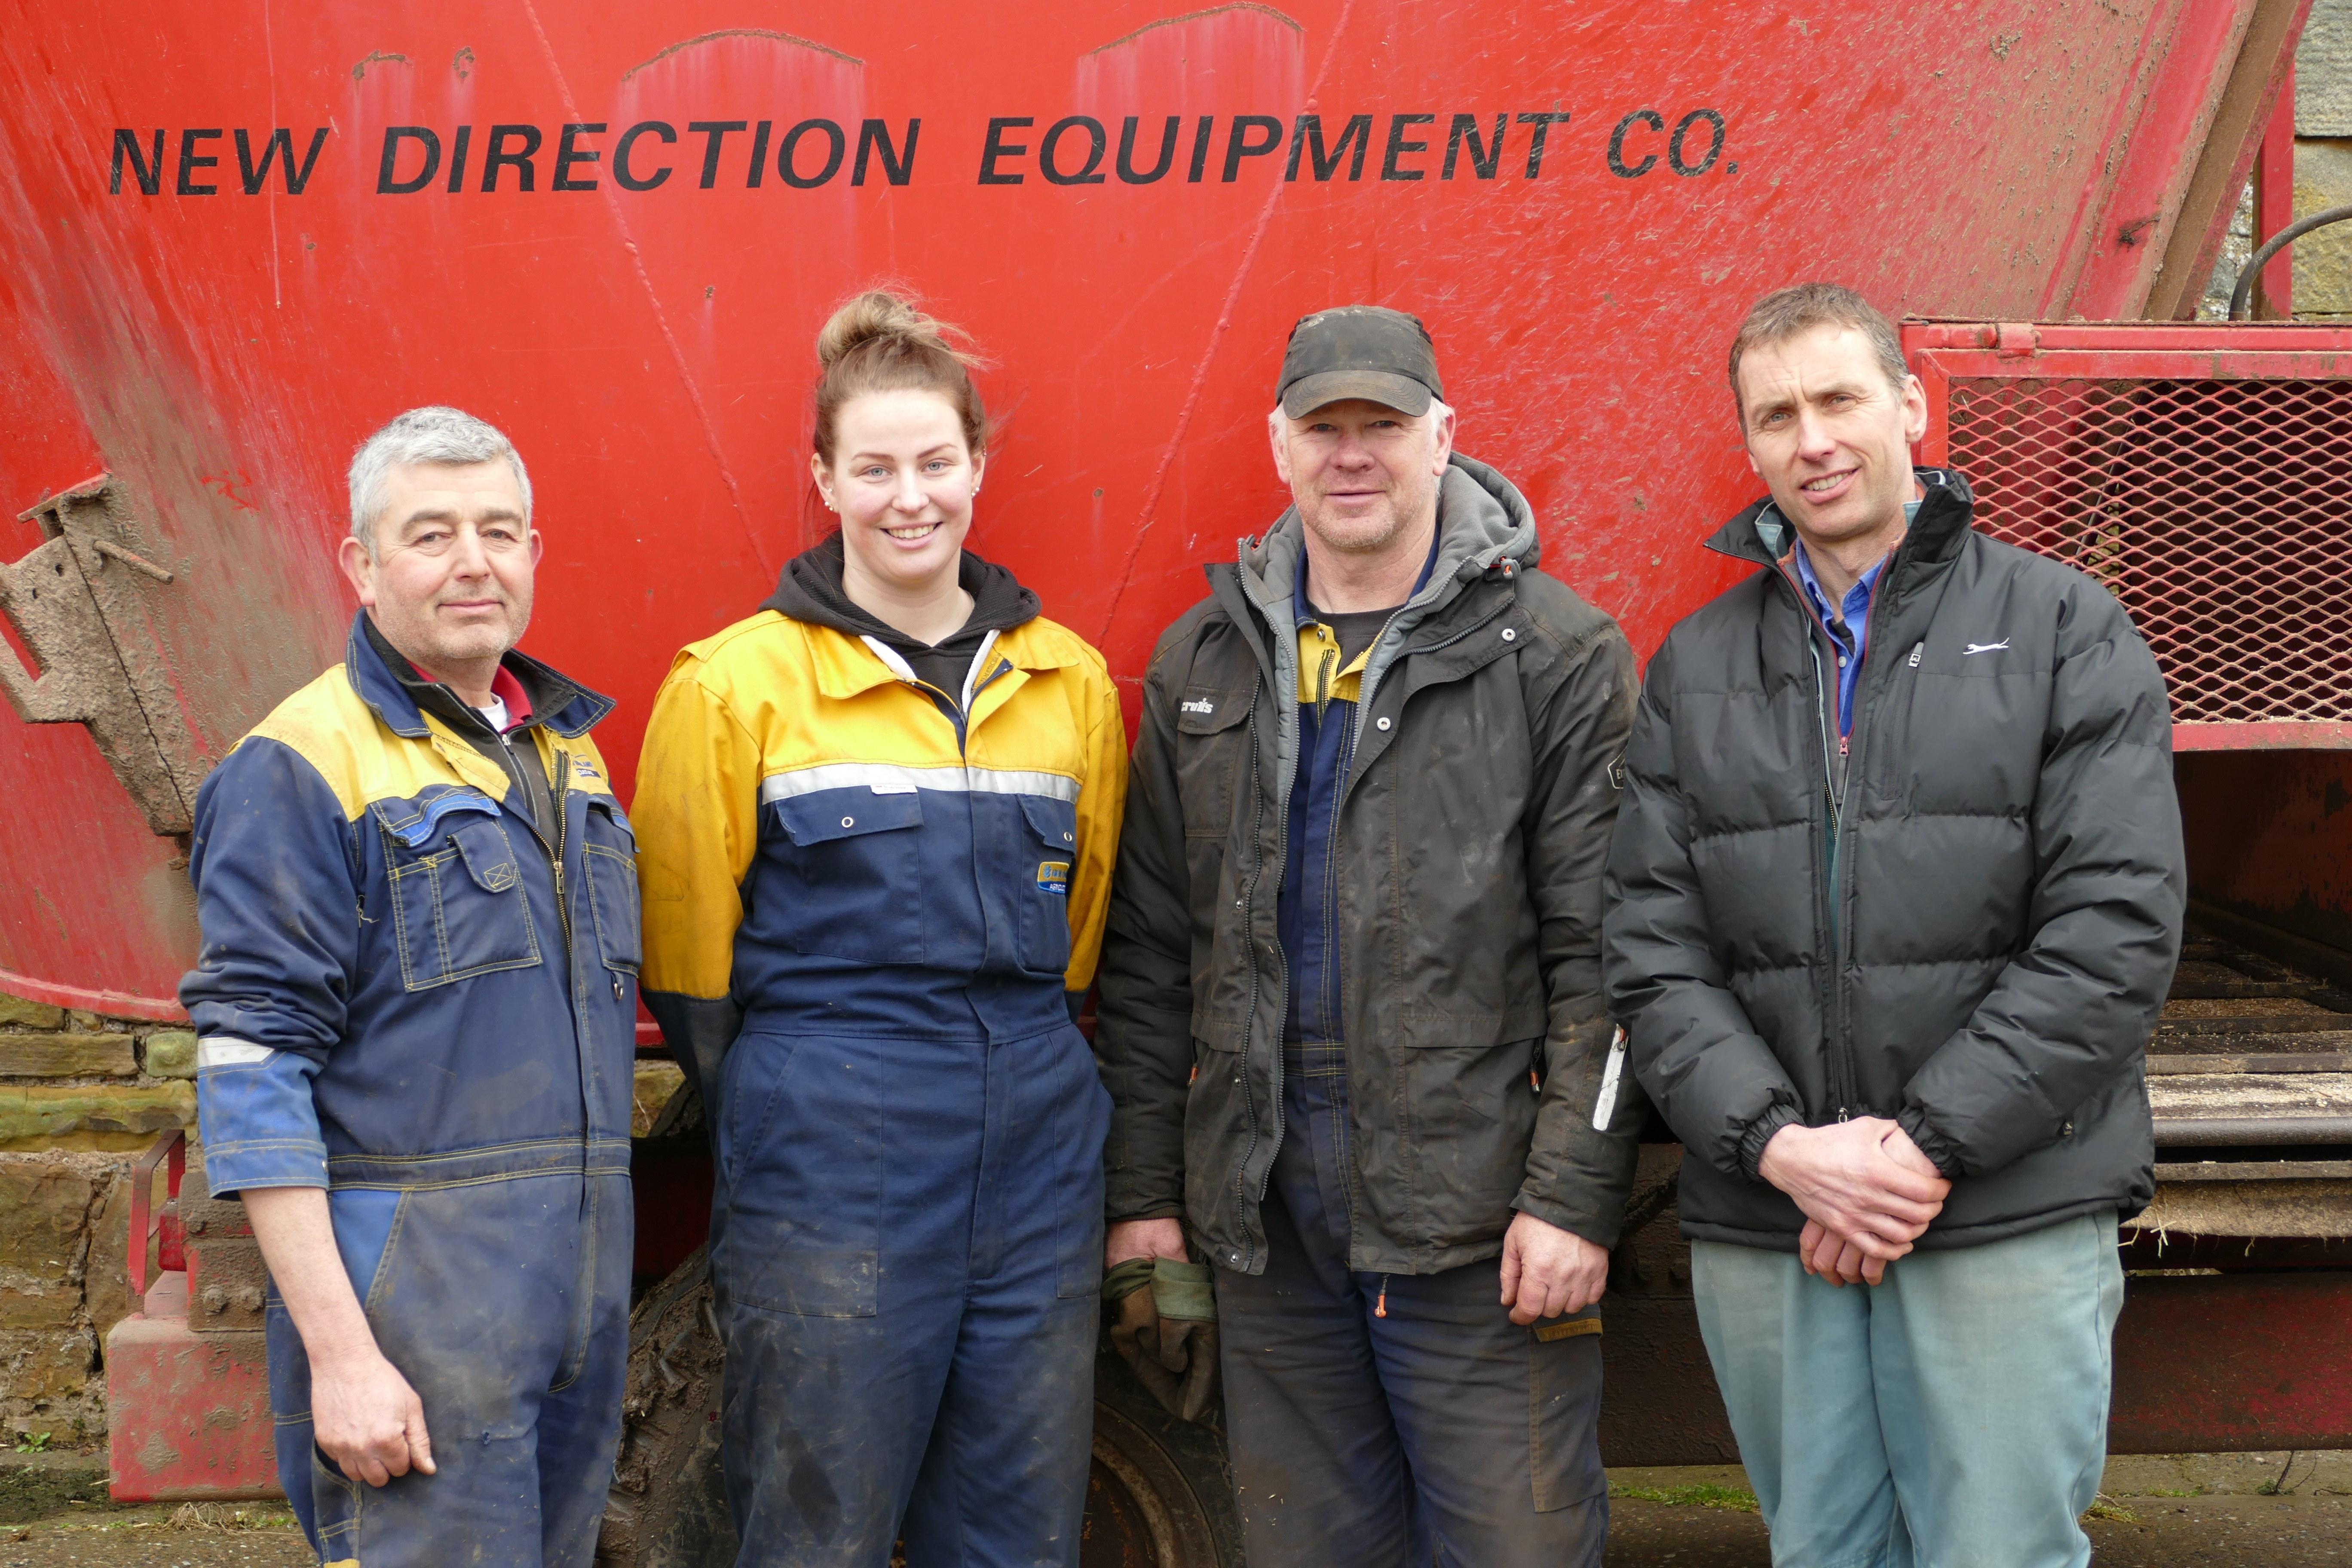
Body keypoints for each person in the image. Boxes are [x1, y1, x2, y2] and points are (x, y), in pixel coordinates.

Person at [1603, 283, 2186, 1568]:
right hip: (1776, 1217)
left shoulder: (2062, 629)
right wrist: (1786, 1151)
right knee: (1820, 1552)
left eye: (1839, 398)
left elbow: (2116, 928)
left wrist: (1919, 1152)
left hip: (2000, 1202)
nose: (1811, 438)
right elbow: (1651, 950)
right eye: (1776, 414)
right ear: (1749, 444)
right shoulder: (1694, 668)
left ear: (1911, 408)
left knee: (1998, 1552)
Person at [1094, 304, 1642, 1565]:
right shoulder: (1207, 664)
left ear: (1441, 437)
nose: (1354, 456)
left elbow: (1609, 967)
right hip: (1271, 1234)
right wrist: (1147, 1203)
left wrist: (1573, 1200)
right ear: (1277, 445)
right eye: (1324, 428)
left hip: (1480, 1235)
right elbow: (1148, 963)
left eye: (1383, 427)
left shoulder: (1554, 657)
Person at [630, 288, 1128, 1566]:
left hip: (1036, 1138)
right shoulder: (733, 684)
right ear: (825, 479)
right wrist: (807, 1106)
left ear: (978, 468)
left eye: (936, 463)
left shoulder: (1067, 682)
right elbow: (689, 963)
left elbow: (1081, 936)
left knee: (1019, 1527)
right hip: (831, 1143)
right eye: (875, 468)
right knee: (819, 1524)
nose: (911, 497)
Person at [182, 407, 636, 1567]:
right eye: (431, 534)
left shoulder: (563, 756)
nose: (473, 561)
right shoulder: (300, 765)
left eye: (500, 530)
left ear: (535, 551)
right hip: (417, 1316)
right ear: (362, 563)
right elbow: (253, 1071)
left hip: (571, 1307)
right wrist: (342, 1356)